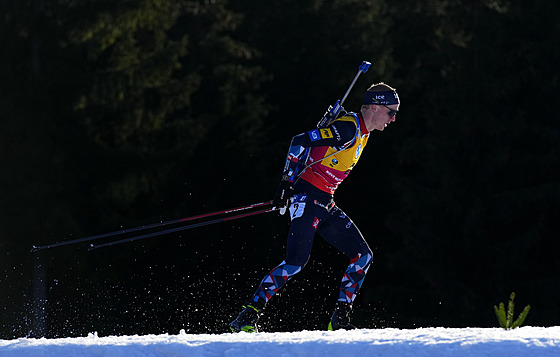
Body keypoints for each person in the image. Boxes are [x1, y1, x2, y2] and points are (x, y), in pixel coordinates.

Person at [230, 82, 400, 332]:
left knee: (363, 256)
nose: (393, 119)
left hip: (325, 201)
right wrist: (286, 183)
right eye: (391, 112)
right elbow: (299, 141)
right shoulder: (348, 129)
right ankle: (247, 315)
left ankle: (339, 320)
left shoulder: (363, 133)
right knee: (295, 262)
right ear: (374, 107)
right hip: (308, 197)